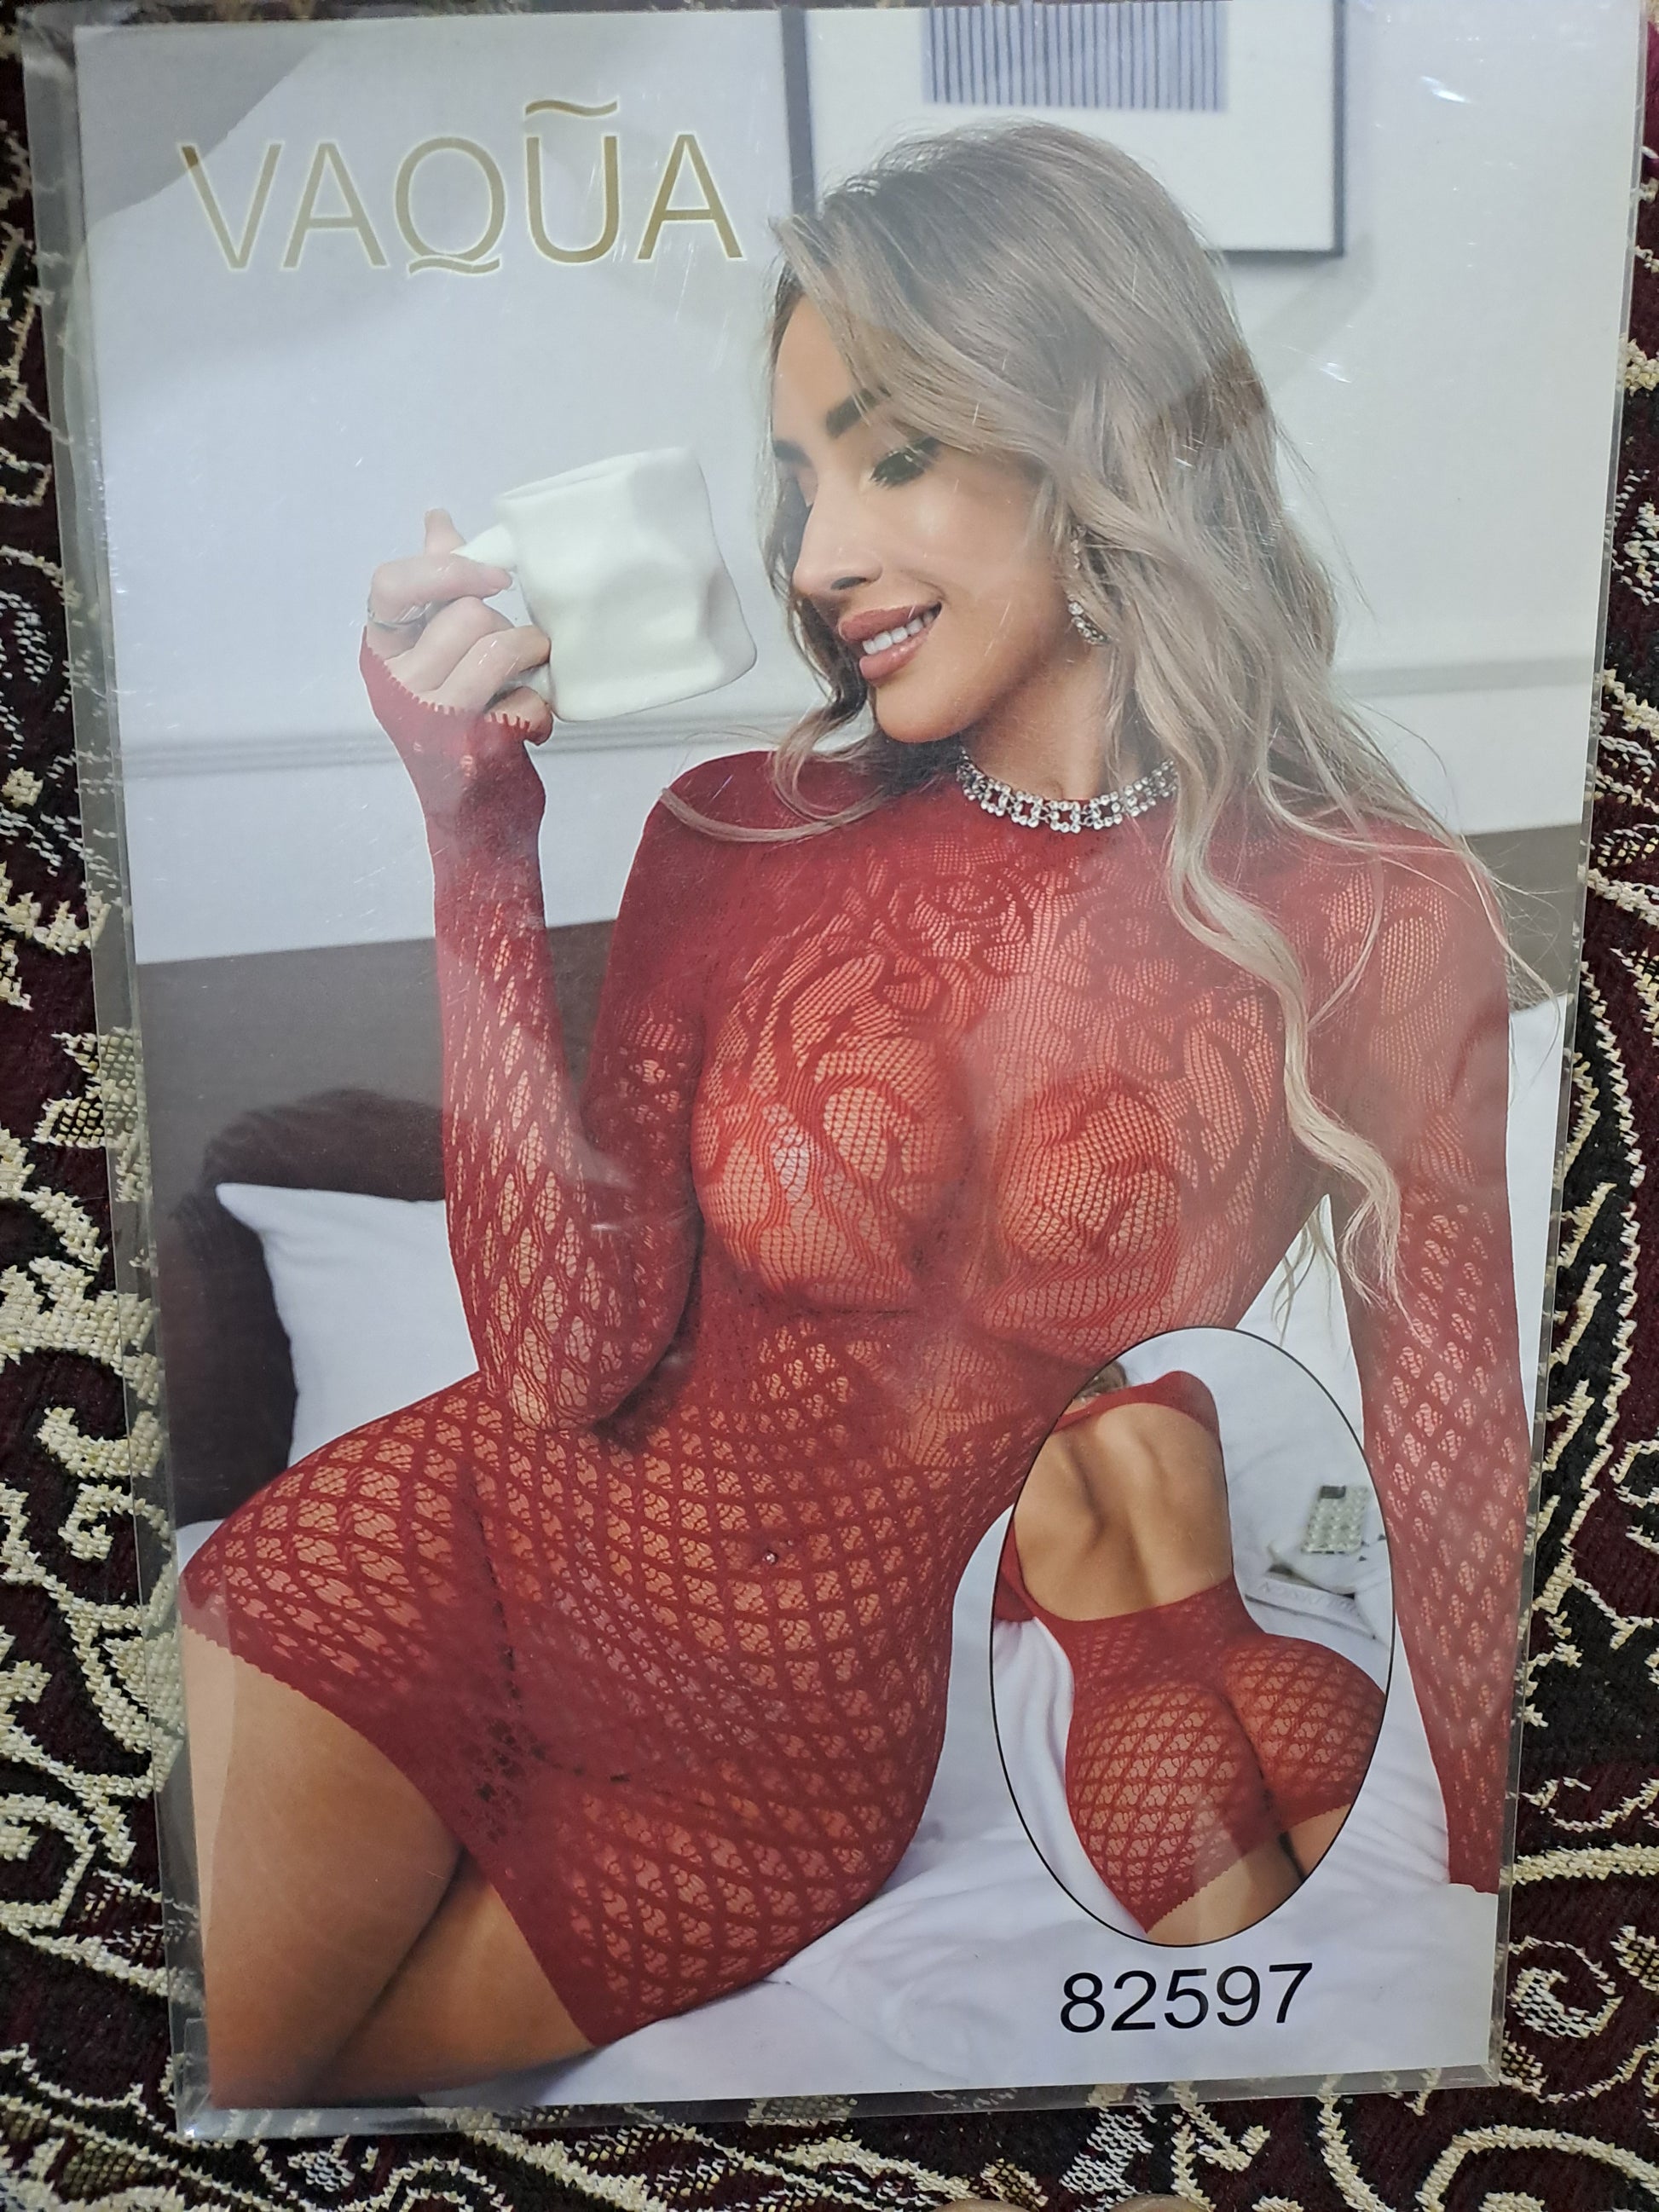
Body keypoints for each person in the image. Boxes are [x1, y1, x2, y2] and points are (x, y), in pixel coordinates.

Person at [177, 119, 1529, 2106]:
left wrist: (1524, 1903)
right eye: (801, 478)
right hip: (442, 1557)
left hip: (770, 1792)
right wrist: (475, 838)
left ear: (1094, 436)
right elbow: (558, 1364)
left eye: (889, 459)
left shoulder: (1371, 912)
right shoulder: (735, 834)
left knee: (332, 2113)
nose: (814, 561)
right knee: (205, 2089)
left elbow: (1453, 1451)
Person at [995, 1363, 1384, 1943]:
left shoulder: (996, 1480)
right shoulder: (1180, 1397)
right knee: (1381, 1934)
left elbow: (1007, 1607)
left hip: (1143, 1731)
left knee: (1257, 1970)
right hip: (1283, 1680)